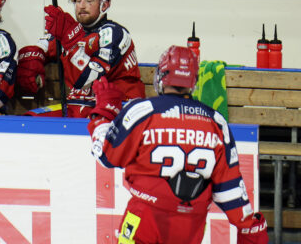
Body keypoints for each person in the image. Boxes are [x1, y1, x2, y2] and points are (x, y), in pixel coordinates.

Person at [88, 45, 268, 244]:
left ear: (161, 76)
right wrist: (251, 229)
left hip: (145, 219)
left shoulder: (143, 111)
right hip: (190, 227)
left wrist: (104, 113)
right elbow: (230, 191)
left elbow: (105, 155)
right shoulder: (216, 122)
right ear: (193, 81)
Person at [16, 0, 144, 117]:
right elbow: (43, 46)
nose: (81, 5)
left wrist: (70, 42)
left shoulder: (115, 34)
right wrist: (33, 57)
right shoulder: (74, 31)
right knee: (30, 119)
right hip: (78, 106)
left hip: (117, 108)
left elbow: (86, 80)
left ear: (104, 4)